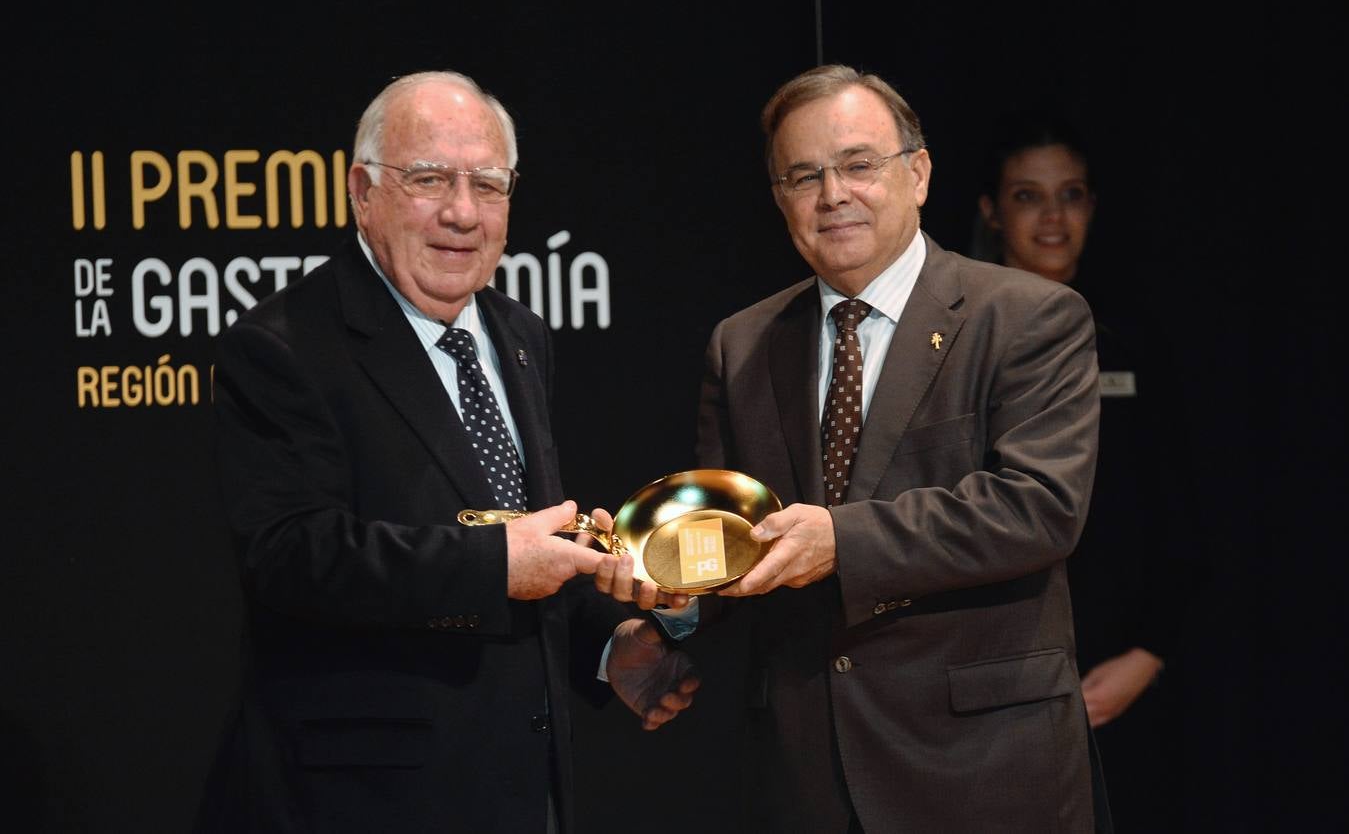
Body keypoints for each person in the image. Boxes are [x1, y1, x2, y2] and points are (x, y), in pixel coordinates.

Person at [601, 64, 1106, 833]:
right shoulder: (742, 345)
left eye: (858, 165)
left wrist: (839, 540)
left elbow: (1037, 507)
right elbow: (731, 548)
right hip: (806, 773)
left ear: (919, 173)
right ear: (779, 201)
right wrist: (666, 611)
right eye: (803, 176)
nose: (832, 193)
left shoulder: (1029, 317)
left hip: (985, 771)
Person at [196, 70, 696, 834]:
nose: (462, 213)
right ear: (362, 191)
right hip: (361, 802)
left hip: (525, 787)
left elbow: (532, 545)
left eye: (487, 186)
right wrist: (494, 563)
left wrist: (605, 649)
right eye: (428, 179)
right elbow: (291, 558)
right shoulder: (284, 347)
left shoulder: (518, 335)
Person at [973, 110, 1198, 830]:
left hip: (1116, 677)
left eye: (1068, 195)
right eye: (1026, 196)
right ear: (989, 209)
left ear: (1091, 208)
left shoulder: (1134, 340)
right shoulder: (952, 342)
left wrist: (1150, 653)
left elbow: (1180, 512)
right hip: (988, 683)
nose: (1049, 218)